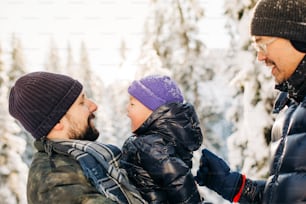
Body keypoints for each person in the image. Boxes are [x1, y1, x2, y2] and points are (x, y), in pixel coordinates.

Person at [195, 0, 306, 203]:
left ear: (297, 36)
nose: (260, 57)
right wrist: (235, 186)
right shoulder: (293, 108)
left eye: (262, 43)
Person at [8, 71, 146, 204]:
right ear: (57, 122)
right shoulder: (54, 182)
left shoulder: (78, 159)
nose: (93, 106)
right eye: (81, 102)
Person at [120, 75, 204, 203]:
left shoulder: (152, 146)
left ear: (154, 111)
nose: (127, 108)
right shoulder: (158, 144)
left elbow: (180, 184)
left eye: (132, 104)